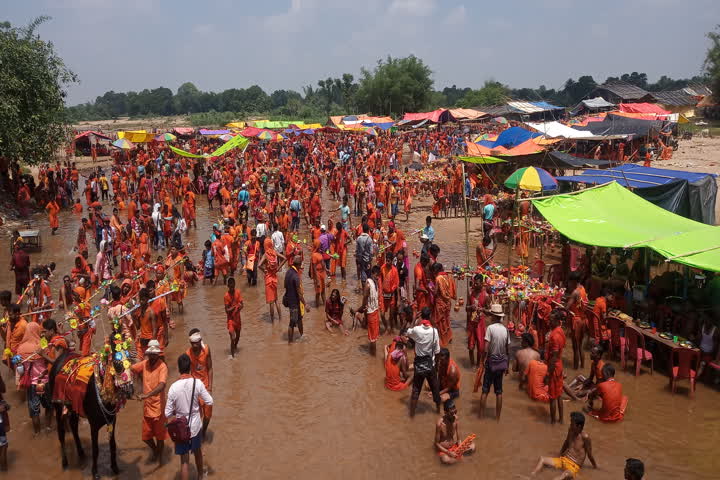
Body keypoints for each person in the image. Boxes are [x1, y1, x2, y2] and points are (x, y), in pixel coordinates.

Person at [165, 354, 213, 480]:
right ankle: (200, 477)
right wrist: (197, 404)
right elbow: (209, 401)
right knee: (198, 454)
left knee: (184, 461)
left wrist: (178, 411)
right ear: (190, 368)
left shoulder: (173, 388)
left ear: (179, 369)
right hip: (196, 426)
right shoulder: (197, 383)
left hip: (181, 428)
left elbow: (167, 413)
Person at [130, 339, 169, 465]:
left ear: (158, 354)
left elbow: (162, 385)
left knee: (160, 436)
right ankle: (156, 451)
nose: (152, 356)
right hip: (147, 407)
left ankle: (160, 457)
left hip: (158, 406)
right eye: (150, 354)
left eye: (154, 354)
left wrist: (146, 394)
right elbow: (132, 368)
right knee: (146, 437)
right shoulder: (145, 363)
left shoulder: (162, 366)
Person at [530, 411, 597, 478]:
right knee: (542, 459)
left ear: (579, 426)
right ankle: (532, 475)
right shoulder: (570, 430)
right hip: (563, 460)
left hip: (573, 466)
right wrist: (560, 453)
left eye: (572, 423)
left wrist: (595, 467)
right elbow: (566, 442)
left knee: (564, 475)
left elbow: (589, 455)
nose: (570, 424)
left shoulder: (585, 437)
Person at [406, 310, 441, 417]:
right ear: (430, 316)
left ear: (421, 317)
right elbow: (437, 352)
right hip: (430, 365)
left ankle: (411, 415)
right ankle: (438, 412)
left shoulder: (417, 330)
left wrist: (413, 319)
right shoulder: (434, 332)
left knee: (415, 391)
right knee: (435, 390)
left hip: (419, 365)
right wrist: (437, 365)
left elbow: (408, 331)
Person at [479, 304, 509, 421]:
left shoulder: (490, 329)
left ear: (493, 316)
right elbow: (507, 349)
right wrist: (507, 366)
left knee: (485, 390)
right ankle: (497, 418)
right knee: (499, 391)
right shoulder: (505, 330)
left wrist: (482, 362)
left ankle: (480, 416)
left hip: (491, 362)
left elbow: (485, 348)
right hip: (501, 363)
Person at [186, 330, 213, 437]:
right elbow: (186, 372)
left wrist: (210, 387)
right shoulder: (187, 353)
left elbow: (210, 368)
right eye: (193, 344)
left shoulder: (206, 350)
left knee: (208, 415)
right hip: (194, 388)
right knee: (195, 414)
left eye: (197, 343)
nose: (195, 345)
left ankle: (204, 431)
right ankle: (196, 434)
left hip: (205, 387)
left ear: (200, 341)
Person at [546, 310, 567, 424]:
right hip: (559, 365)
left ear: (557, 321)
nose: (549, 321)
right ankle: (561, 420)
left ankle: (553, 422)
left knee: (552, 396)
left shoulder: (554, 336)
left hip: (554, 368)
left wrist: (548, 373)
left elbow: (553, 357)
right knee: (559, 395)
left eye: (551, 320)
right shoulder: (560, 331)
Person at [284, 256, 306, 344]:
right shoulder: (296, 276)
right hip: (294, 302)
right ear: (299, 265)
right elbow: (299, 293)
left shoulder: (288, 272)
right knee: (292, 323)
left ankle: (302, 336)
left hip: (290, 299)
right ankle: (290, 343)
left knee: (300, 319)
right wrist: (305, 304)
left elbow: (285, 286)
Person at [223, 277, 243, 357]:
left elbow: (242, 304)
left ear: (234, 285)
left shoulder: (238, 292)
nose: (231, 288)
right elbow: (227, 310)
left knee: (237, 337)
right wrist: (235, 307)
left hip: (238, 319)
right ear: (228, 286)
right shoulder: (226, 296)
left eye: (233, 286)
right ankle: (232, 357)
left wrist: (239, 307)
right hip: (231, 320)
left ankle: (234, 347)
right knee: (233, 337)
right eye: (230, 287)